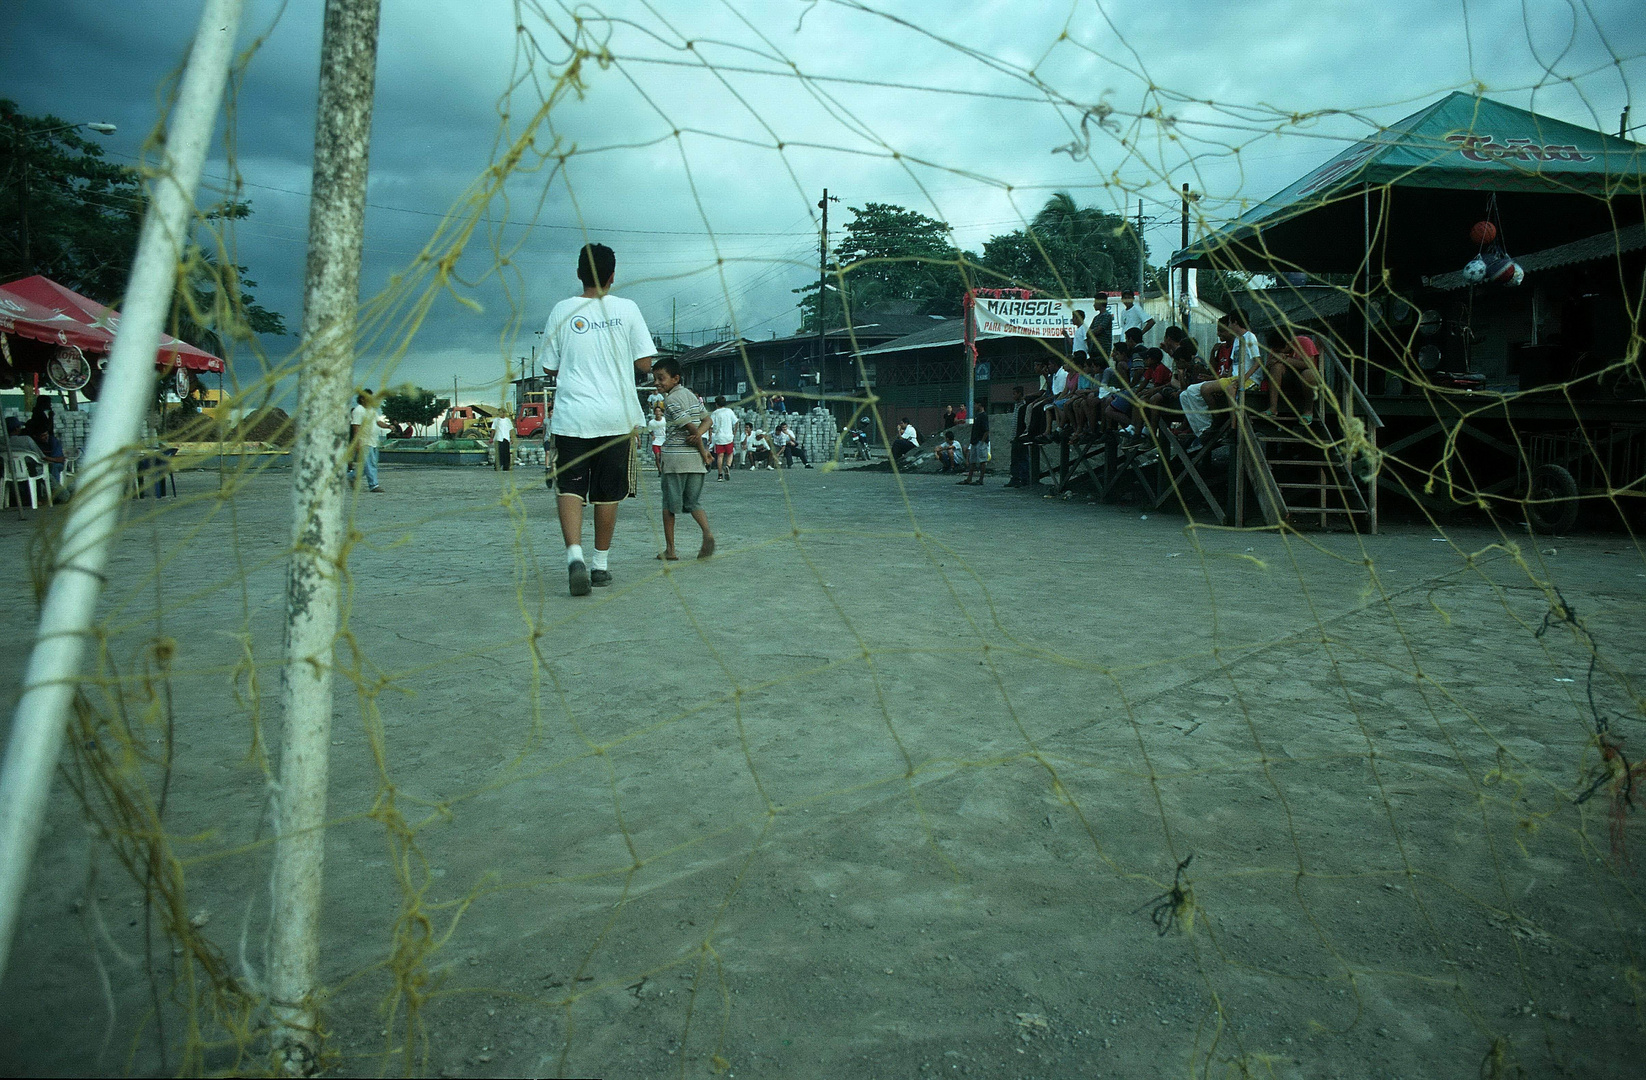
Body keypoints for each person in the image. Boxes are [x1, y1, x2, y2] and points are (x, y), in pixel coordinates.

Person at [541, 242, 657, 596]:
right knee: (608, 493)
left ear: (579, 274)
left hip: (573, 416)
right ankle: (600, 565)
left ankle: (574, 557)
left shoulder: (562, 310)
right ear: (612, 276)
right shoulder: (628, 309)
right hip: (616, 418)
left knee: (570, 487)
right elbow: (645, 364)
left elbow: (549, 366)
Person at [651, 356, 716, 561]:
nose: (657, 383)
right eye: (655, 378)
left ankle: (670, 550)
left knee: (669, 506)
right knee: (694, 502)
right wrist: (702, 447)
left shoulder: (670, 401)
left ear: (675, 378)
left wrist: (700, 445)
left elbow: (690, 427)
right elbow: (707, 420)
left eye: (661, 378)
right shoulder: (690, 395)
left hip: (675, 460)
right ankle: (707, 533)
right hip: (695, 462)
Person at [1263, 329, 1322, 424]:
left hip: (1305, 382)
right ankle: (1273, 408)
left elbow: (1310, 365)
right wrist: (1271, 363)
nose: (1278, 352)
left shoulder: (1304, 342)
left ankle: (1308, 411)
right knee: (1276, 367)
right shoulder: (1276, 347)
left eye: (1280, 350)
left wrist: (1285, 359)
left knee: (1308, 374)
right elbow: (1267, 369)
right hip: (1286, 381)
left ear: (1288, 343)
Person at [348, 390, 390, 493]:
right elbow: (356, 427)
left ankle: (351, 476)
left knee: (368, 465)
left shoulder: (372, 410)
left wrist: (388, 426)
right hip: (364, 442)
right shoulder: (358, 410)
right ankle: (374, 485)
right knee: (371, 464)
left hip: (374, 441)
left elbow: (379, 422)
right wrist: (357, 442)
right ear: (362, 398)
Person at [709, 395, 738, 481]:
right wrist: (734, 433)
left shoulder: (714, 413)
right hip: (728, 436)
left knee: (720, 456)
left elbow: (710, 426)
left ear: (716, 404)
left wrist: (710, 437)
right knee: (730, 453)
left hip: (719, 437)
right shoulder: (729, 411)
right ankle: (728, 466)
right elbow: (736, 422)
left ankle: (720, 475)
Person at [959, 405, 990, 485]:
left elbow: (986, 430)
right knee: (972, 460)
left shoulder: (984, 416)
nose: (974, 406)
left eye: (976, 404)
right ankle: (969, 478)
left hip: (980, 441)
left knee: (982, 461)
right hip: (975, 441)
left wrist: (982, 442)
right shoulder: (977, 416)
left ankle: (981, 479)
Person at [647, 402, 668, 472]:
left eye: (659, 411)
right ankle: (659, 470)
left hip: (663, 439)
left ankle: (663, 469)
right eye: (656, 411)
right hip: (656, 441)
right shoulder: (651, 422)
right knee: (657, 456)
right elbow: (650, 430)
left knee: (662, 457)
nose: (658, 413)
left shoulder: (664, 420)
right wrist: (653, 435)